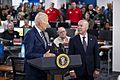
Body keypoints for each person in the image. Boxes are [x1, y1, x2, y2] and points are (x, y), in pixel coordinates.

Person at [24, 12, 55, 80]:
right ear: (40, 22)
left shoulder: (43, 33)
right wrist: (43, 55)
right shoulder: (30, 34)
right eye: (46, 21)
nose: (47, 24)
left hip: (42, 70)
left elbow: (45, 49)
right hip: (33, 72)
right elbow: (28, 54)